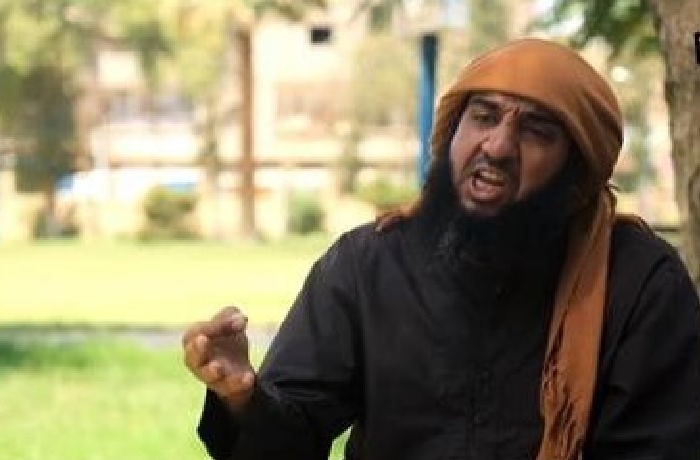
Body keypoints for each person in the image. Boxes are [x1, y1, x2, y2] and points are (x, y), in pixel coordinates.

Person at [182, 38, 700, 460]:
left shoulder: (639, 285)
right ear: (452, 133)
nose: (498, 146)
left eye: (536, 131)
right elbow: (290, 441)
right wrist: (243, 398)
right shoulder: (368, 266)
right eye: (484, 116)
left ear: (577, 170)